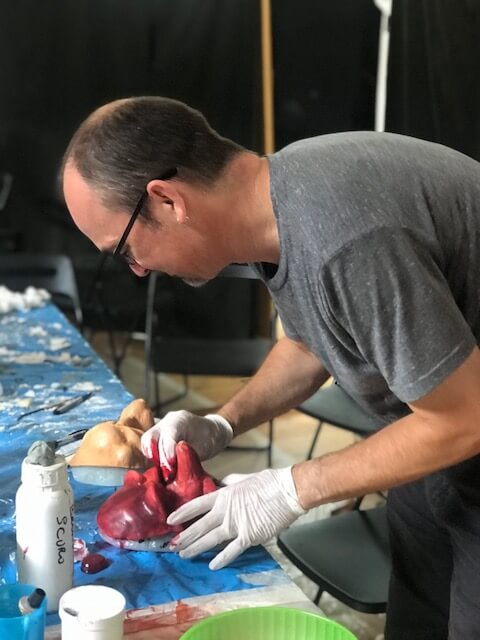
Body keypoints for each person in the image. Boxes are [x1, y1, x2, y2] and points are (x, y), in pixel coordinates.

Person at [62, 96, 480, 640]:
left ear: (166, 201)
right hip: (435, 441)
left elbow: (464, 418)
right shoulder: (285, 203)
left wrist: (292, 488)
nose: (138, 270)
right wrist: (223, 424)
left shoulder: (345, 235)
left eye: (123, 249)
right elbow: (312, 342)